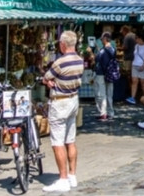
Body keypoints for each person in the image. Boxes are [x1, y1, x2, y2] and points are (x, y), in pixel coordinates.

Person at [42, 30, 84, 193]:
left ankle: (63, 179)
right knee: (70, 139)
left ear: (63, 44)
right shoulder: (80, 60)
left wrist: (49, 82)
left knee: (57, 142)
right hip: (73, 100)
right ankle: (72, 175)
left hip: (60, 102)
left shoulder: (60, 62)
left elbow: (47, 77)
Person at [94, 32, 116, 121]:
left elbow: (97, 59)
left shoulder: (103, 51)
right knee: (109, 95)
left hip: (101, 73)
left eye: (102, 39)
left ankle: (103, 113)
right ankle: (111, 113)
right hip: (110, 74)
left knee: (101, 94)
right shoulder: (113, 49)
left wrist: (92, 52)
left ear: (105, 39)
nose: (101, 40)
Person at [127, 33, 144, 105]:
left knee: (143, 83)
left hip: (143, 65)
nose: (135, 39)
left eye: (137, 38)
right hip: (135, 65)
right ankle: (132, 97)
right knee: (134, 81)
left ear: (140, 38)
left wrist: (143, 65)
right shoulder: (136, 46)